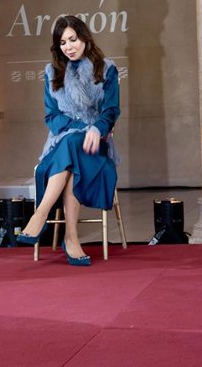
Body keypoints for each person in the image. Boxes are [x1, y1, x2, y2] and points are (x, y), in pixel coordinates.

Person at [16, 15, 120, 266]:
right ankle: (71, 238)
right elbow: (52, 117)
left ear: (85, 38)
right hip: (60, 143)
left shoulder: (106, 69)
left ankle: (40, 215)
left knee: (75, 147)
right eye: (62, 43)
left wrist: (95, 129)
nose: (69, 47)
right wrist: (80, 128)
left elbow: (111, 110)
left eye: (73, 39)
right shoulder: (52, 73)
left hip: (94, 145)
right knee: (72, 146)